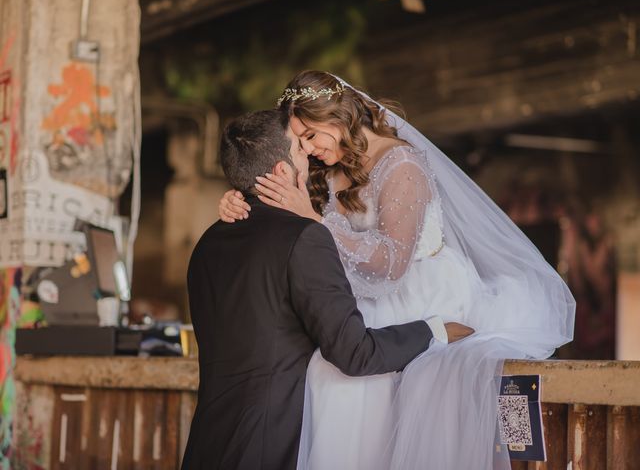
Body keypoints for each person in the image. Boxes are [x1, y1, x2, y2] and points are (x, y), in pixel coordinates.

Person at [219, 71, 576, 469]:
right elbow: (281, 194)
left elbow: (392, 264)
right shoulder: (331, 168)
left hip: (418, 295)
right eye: (299, 141)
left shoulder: (401, 163)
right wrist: (241, 200)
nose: (306, 149)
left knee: (351, 385)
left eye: (309, 135)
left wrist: (318, 224)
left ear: (337, 118)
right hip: (362, 300)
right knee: (330, 377)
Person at [181, 109, 473, 470]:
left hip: (207, 443)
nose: (308, 152)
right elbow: (354, 353)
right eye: (299, 150)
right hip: (267, 445)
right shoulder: (304, 238)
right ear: (282, 172)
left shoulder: (208, 242)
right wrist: (434, 331)